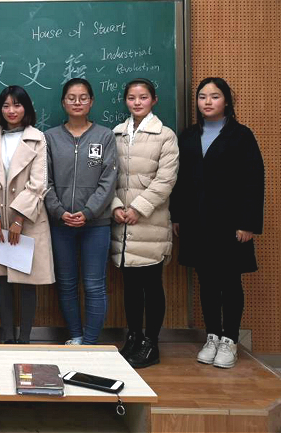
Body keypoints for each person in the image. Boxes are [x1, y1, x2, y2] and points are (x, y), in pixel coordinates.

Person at [171, 77, 264, 369]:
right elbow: (179, 181)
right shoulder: (188, 136)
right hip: (196, 221)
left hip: (231, 222)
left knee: (230, 280)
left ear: (226, 101)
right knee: (207, 280)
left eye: (214, 96)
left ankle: (230, 339)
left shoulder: (241, 135)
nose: (207, 102)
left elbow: (253, 181)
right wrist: (177, 216)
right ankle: (212, 336)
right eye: (202, 97)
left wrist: (247, 223)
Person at [0, 85, 54, 344]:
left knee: (27, 281)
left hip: (28, 219)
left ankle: (25, 339)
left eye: (17, 105)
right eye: (6, 105)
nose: (11, 110)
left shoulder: (37, 138)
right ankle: (8, 338)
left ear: (26, 108)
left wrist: (19, 219)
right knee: (3, 281)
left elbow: (39, 183)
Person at [110, 78, 179, 368]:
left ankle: (151, 343)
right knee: (130, 285)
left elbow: (166, 180)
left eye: (143, 97)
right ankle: (134, 337)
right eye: (131, 98)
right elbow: (106, 176)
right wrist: (115, 206)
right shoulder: (116, 134)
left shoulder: (165, 136)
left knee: (151, 284)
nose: (137, 102)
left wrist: (139, 208)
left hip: (150, 221)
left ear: (154, 100)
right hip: (122, 222)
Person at [44, 77, 116, 345]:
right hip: (60, 223)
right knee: (66, 284)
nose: (77, 102)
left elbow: (108, 181)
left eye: (83, 97)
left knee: (94, 284)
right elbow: (44, 180)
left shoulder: (105, 136)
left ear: (91, 101)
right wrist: (59, 211)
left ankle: (90, 342)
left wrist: (88, 212)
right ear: (63, 102)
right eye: (71, 98)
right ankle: (75, 337)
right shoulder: (50, 137)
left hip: (96, 224)